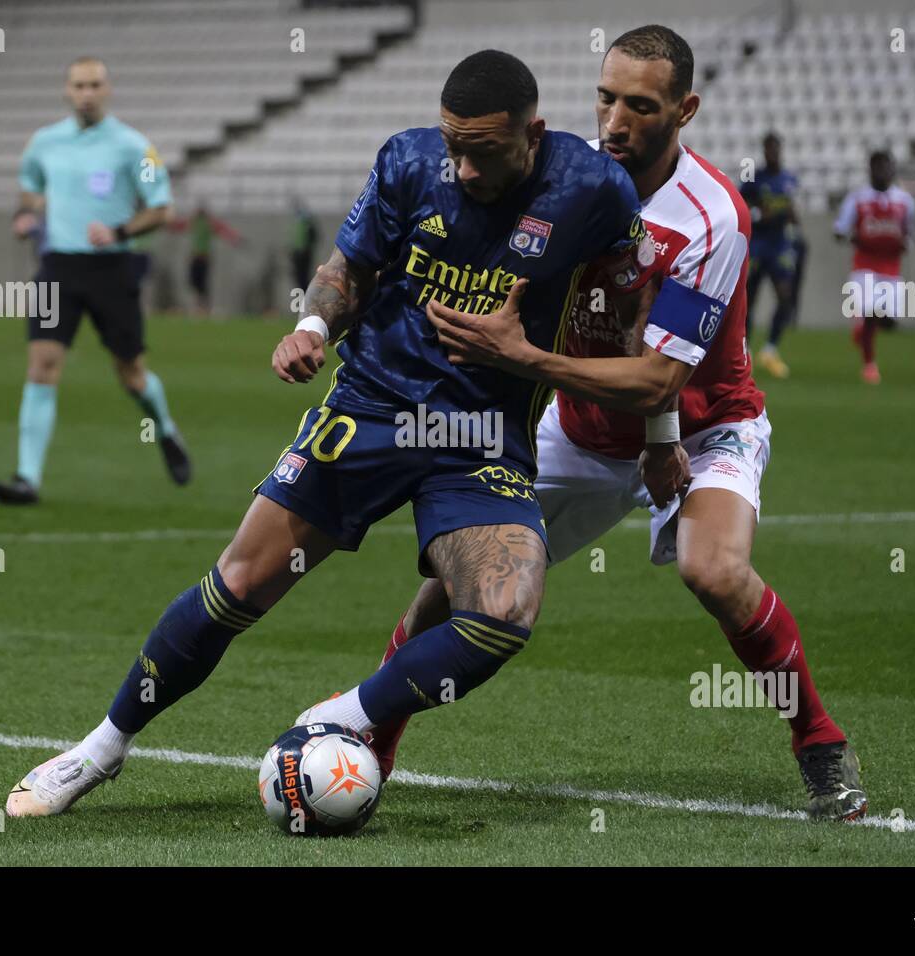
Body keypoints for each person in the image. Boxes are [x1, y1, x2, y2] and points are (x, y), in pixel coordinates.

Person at [4, 49, 665, 817]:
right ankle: (100, 749)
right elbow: (348, 267)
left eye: (483, 152)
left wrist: (652, 427)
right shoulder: (410, 163)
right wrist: (314, 324)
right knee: (238, 585)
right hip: (372, 408)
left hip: (481, 438)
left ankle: (337, 721)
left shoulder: (593, 190)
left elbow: (631, 319)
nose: (464, 168)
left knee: (503, 612)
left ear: (533, 133)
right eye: (454, 146)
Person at [364, 25, 866, 822]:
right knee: (453, 586)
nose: (616, 120)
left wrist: (537, 366)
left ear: (684, 109)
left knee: (716, 572)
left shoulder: (713, 218)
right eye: (606, 98)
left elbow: (662, 376)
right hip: (586, 431)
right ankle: (368, 743)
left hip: (708, 427)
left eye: (641, 105)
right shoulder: (565, 184)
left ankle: (820, 743)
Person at [0, 56, 190, 504]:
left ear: (108, 89)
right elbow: (29, 189)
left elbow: (162, 208)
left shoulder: (133, 146)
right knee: (42, 366)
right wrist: (26, 216)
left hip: (111, 267)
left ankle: (166, 429)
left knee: (131, 374)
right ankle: (27, 478)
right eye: (79, 85)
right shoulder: (44, 143)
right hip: (58, 267)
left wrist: (119, 231)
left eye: (95, 85)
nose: (87, 93)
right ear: (67, 90)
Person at [834, 150, 915, 384]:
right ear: (870, 169)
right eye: (878, 166)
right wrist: (855, 236)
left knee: (889, 321)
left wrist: (902, 243)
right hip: (865, 266)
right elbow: (840, 229)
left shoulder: (904, 201)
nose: (883, 171)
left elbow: (910, 234)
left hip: (891, 268)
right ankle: (869, 365)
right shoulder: (858, 198)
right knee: (871, 312)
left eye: (887, 166)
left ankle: (861, 330)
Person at [741, 132, 800, 378]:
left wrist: (793, 217)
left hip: (779, 245)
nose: (772, 153)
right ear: (764, 151)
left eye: (776, 148)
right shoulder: (753, 175)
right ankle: (745, 351)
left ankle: (770, 349)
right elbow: (741, 205)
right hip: (757, 244)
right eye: (768, 149)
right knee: (749, 300)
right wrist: (758, 215)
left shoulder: (789, 179)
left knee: (785, 297)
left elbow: (790, 208)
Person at [168, 204, 241, 317]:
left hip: (204, 258)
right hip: (194, 258)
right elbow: (180, 226)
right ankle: (200, 305)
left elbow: (223, 231)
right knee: (193, 282)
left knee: (202, 284)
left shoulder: (209, 223)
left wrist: (235, 239)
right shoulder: (194, 222)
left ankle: (203, 307)